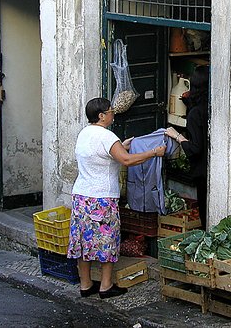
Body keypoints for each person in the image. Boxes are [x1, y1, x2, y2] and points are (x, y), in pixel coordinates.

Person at [67, 97, 166, 299]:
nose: (113, 114)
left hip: (82, 196)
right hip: (102, 198)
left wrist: (122, 144)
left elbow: (107, 154)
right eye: (111, 111)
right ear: (101, 116)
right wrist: (154, 152)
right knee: (106, 240)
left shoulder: (84, 133)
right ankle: (105, 285)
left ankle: (85, 285)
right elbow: (127, 160)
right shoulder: (107, 136)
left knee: (84, 242)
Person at [165, 65, 210, 229]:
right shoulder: (210, 107)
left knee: (205, 212)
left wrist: (177, 136)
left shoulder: (195, 113)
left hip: (202, 171)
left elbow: (195, 147)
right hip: (211, 168)